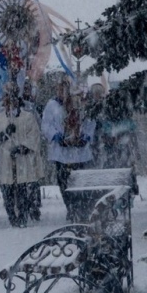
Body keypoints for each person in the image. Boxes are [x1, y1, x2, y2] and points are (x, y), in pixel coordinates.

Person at [0, 84, 44, 227]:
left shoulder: (27, 117)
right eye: (7, 100)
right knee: (7, 190)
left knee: (22, 190)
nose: (10, 104)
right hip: (5, 158)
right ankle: (12, 216)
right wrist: (2, 135)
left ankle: (23, 217)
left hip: (21, 158)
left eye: (12, 100)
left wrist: (23, 147)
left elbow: (34, 135)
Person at [41, 77, 95, 222]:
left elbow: (90, 121)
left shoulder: (79, 103)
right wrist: (56, 136)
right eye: (59, 89)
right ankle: (71, 208)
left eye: (64, 89)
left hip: (80, 153)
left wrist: (86, 137)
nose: (61, 92)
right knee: (64, 182)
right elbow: (46, 125)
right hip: (62, 153)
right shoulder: (52, 105)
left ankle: (82, 208)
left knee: (81, 182)